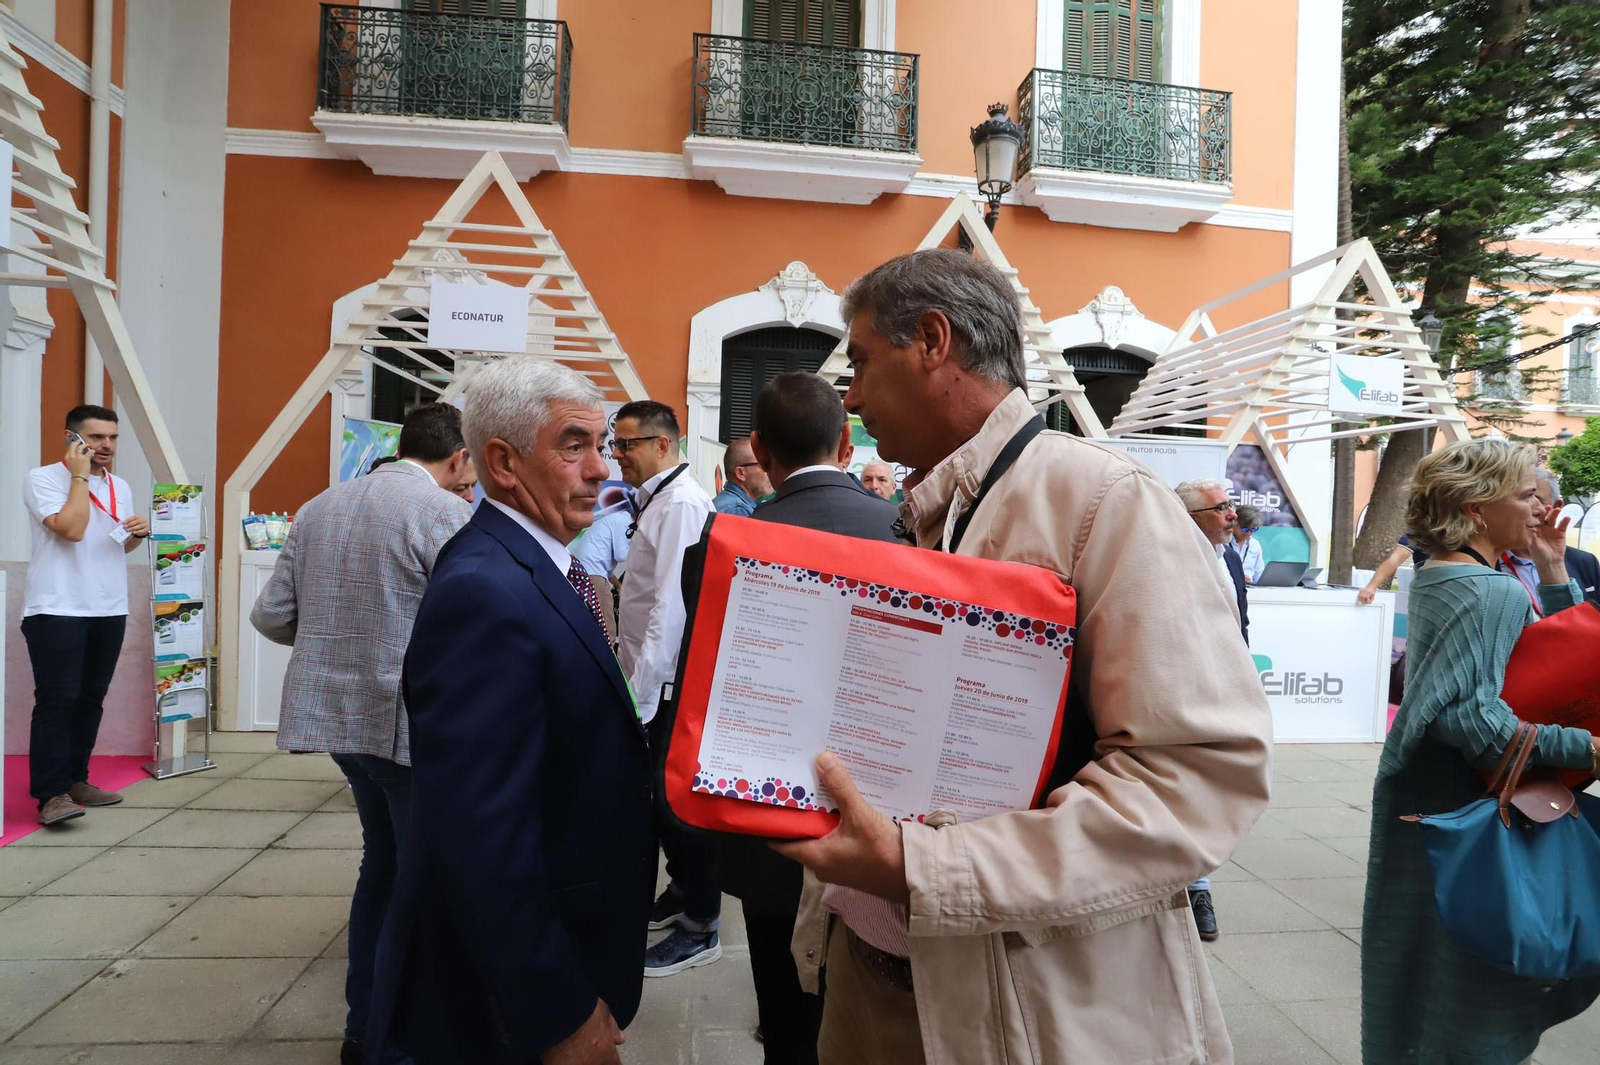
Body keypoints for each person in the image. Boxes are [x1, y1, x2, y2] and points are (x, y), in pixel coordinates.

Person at [774, 249, 1272, 1064]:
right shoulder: (924, 506)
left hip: (1029, 1009)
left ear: (932, 341)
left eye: (861, 362)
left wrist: (925, 868)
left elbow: (1198, 779)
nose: (852, 399)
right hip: (873, 977)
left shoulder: (1107, 501)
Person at [365, 359, 655, 1065]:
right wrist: (558, 1012)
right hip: (529, 997)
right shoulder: (483, 590)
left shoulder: (541, 561)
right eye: (574, 445)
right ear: (502, 462)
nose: (600, 469)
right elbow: (481, 838)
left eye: (604, 446)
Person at [1362, 437, 1600, 1065]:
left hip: (1437, 803)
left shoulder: (1441, 572)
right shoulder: (1485, 589)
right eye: (1526, 496)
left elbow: (1552, 660)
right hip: (1478, 807)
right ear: (1474, 508)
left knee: (1425, 964)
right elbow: (1473, 718)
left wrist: (1551, 571)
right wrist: (1589, 749)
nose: (1542, 510)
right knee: (1480, 988)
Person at [250, 402, 474, 1065]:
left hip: (340, 723)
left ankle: (363, 1026)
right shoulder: (443, 515)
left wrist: (326, 643)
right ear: (460, 457)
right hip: (406, 722)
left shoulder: (320, 506)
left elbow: (271, 615)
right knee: (417, 875)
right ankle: (391, 1039)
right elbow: (469, 620)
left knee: (383, 862)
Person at [721, 372, 902, 1065]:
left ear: (760, 450)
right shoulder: (905, 530)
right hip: (879, 814)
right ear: (848, 441)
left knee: (784, 1016)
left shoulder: (725, 539)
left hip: (766, 816)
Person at [611, 399, 723, 976]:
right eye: (615, 444)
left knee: (676, 808)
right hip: (653, 680)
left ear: (662, 445)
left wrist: (640, 693)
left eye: (625, 444)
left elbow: (670, 610)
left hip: (666, 685)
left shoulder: (679, 503)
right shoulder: (658, 501)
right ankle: (683, 892)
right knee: (663, 806)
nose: (615, 455)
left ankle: (702, 924)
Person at [21, 405, 151, 827]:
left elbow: (114, 545)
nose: (106, 446)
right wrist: (79, 475)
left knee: (90, 700)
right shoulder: (42, 478)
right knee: (57, 701)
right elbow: (72, 529)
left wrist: (135, 536)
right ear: (71, 438)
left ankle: (77, 780)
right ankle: (51, 795)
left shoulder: (121, 485)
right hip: (57, 607)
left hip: (108, 606)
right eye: (95, 438)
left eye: (112, 438)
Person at [1174, 477, 1248, 944]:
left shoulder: (1233, 557)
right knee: (1185, 792)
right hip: (1182, 695)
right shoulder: (1167, 559)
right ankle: (1193, 887)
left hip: (1224, 694)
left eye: (1230, 506)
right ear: (1190, 518)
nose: (1233, 515)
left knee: (1209, 795)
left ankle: (1196, 882)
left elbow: (1240, 624)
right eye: (1221, 508)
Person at [1495, 468, 1600, 610]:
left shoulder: (1583, 562)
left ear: (1557, 506)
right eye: (1524, 498)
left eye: (1536, 498)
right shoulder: (1485, 562)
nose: (1533, 508)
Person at [712, 436, 773, 516]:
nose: (770, 470)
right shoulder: (738, 510)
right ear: (740, 473)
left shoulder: (731, 504)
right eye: (763, 465)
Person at [1228, 504, 1265, 584]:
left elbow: (1259, 575)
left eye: (1253, 530)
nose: (1249, 533)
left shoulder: (1255, 545)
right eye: (1245, 529)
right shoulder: (1223, 543)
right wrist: (1237, 577)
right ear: (1234, 523)